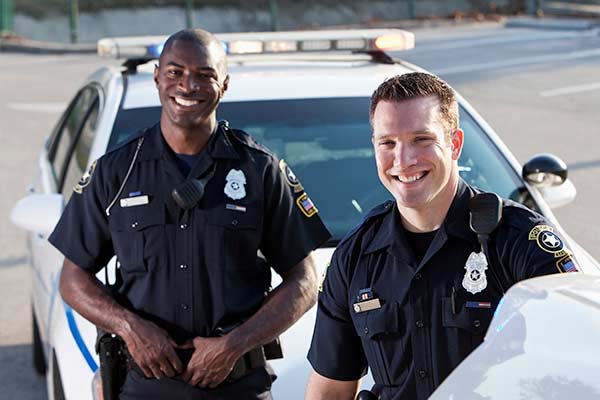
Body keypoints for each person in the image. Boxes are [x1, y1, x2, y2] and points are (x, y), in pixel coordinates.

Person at [49, 29, 330, 399]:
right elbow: (72, 279)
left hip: (238, 387)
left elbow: (306, 280)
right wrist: (131, 328)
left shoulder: (259, 171)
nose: (188, 85)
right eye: (175, 72)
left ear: (224, 85)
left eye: (204, 75)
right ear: (157, 77)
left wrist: (233, 346)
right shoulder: (115, 172)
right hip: (144, 389)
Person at [305, 72, 579, 400]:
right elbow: (330, 391)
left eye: (422, 139)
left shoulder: (520, 244)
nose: (403, 160)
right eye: (388, 142)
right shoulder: (355, 257)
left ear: (455, 144)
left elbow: (577, 369)